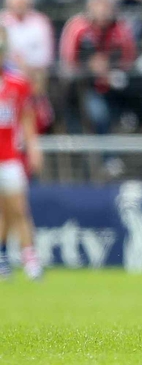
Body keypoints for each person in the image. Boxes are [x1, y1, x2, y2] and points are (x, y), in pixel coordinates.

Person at [0, 25, 44, 281]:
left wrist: (34, 147)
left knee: (18, 207)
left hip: (10, 156)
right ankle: (4, 258)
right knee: (3, 211)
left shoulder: (17, 83)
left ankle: (30, 259)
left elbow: (27, 120)